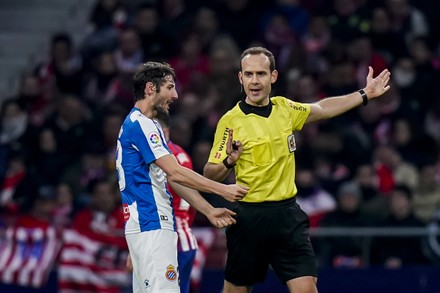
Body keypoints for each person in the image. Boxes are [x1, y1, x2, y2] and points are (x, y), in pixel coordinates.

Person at [203, 46, 391, 293]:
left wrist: (365, 93)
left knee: (307, 288)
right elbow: (209, 173)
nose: (254, 81)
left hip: (287, 215)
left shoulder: (285, 109)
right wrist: (228, 162)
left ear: (273, 77)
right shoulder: (230, 121)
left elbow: (323, 108)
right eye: (248, 74)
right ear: (240, 78)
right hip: (249, 217)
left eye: (261, 74)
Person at [115, 61, 248, 293]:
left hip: (144, 224)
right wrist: (222, 189)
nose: (175, 95)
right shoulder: (142, 125)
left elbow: (171, 178)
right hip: (152, 222)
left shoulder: (137, 124)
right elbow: (176, 172)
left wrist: (208, 210)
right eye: (169, 87)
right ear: (150, 88)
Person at [155, 110, 198, 293]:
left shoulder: (166, 158)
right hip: (175, 234)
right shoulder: (180, 155)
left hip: (173, 237)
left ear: (163, 132)